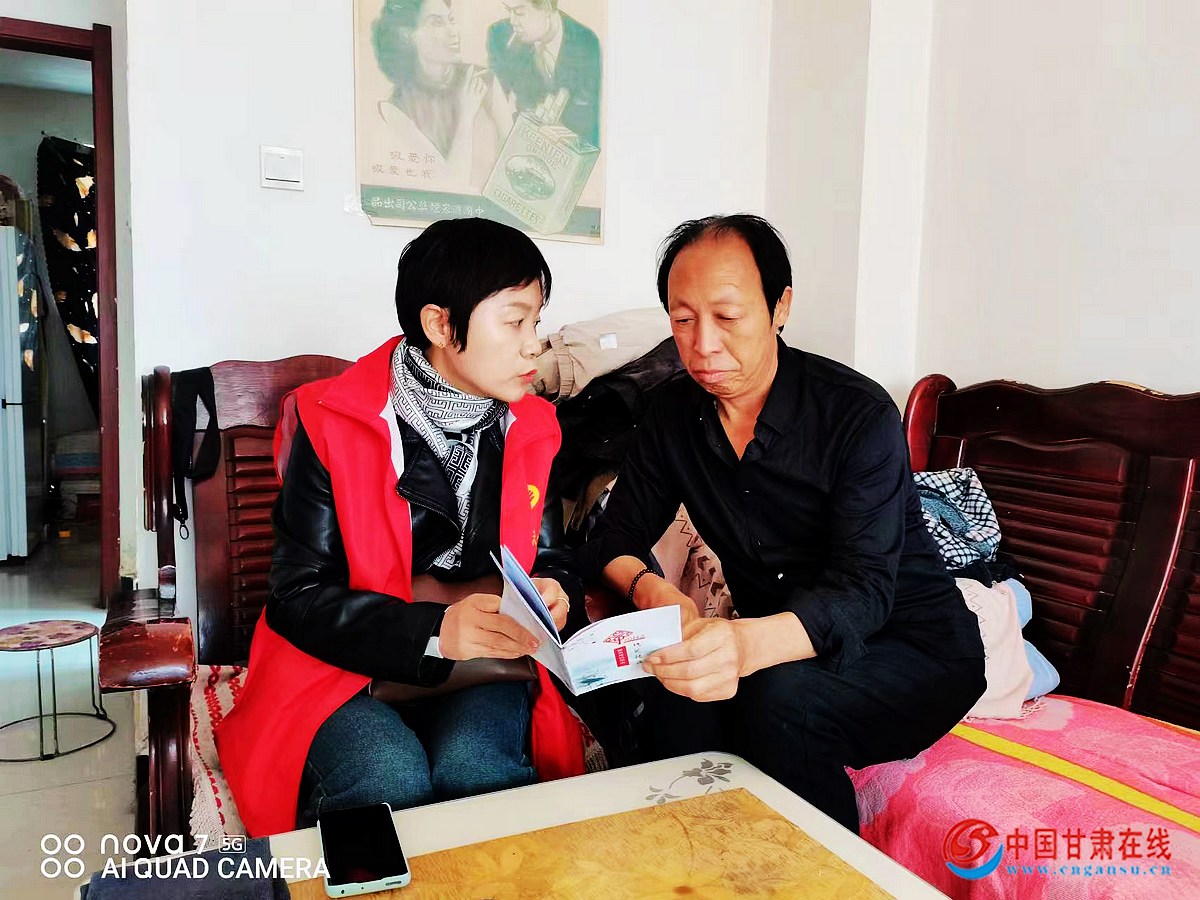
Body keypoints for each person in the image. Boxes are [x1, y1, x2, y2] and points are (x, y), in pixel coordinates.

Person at [579, 215, 986, 834]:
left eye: (727, 316)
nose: (703, 345)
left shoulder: (855, 414)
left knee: (782, 702)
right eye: (682, 319)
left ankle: (827, 875)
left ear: (780, 307)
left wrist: (743, 646)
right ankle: (694, 858)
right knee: (676, 686)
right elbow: (616, 536)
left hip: (910, 647)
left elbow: (862, 593)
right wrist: (652, 591)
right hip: (783, 641)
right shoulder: (672, 413)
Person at [217, 218, 586, 838]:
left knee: (479, 773)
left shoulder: (533, 426)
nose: (534, 347)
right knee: (387, 780)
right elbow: (298, 596)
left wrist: (556, 591)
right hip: (341, 664)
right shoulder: (334, 420)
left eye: (537, 322)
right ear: (440, 325)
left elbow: (551, 557)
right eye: (514, 322)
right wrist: (435, 631)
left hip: (488, 659)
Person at [372, 0, 515, 192]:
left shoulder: (483, 80)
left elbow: (513, 159)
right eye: (437, 23)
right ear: (408, 35)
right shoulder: (397, 108)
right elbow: (451, 186)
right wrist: (466, 116)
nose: (453, 31)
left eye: (451, 20)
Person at [487, 0, 601, 147]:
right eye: (509, 11)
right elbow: (495, 102)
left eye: (519, 12)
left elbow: (588, 126)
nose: (512, 21)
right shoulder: (500, 36)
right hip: (524, 141)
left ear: (546, 7)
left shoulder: (586, 43)